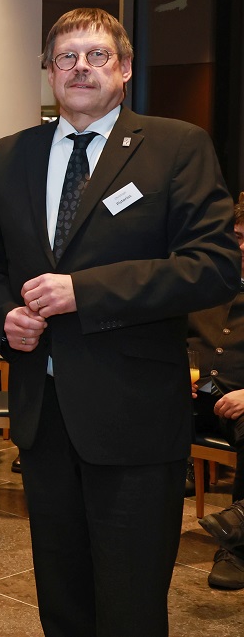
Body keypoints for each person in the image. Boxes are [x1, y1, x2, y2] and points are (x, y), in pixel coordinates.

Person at [0, 8, 238, 636]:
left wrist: (83, 292)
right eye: (66, 57)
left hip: (135, 415)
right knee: (62, 599)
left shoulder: (176, 146)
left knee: (131, 602)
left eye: (97, 55)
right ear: (48, 70)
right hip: (44, 414)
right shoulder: (9, 156)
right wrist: (7, 315)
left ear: (125, 68)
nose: (80, 68)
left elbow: (214, 267)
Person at [187, 200, 244, 589]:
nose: (242, 248)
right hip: (193, 391)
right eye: (238, 238)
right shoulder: (200, 279)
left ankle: (237, 547)